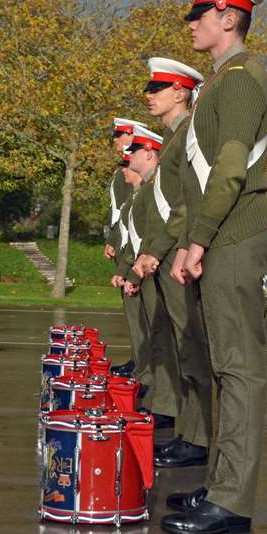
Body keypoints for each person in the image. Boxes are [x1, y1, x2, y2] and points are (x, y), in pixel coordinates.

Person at [163, 0, 267, 534]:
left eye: (199, 12)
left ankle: (233, 501)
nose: (191, 21)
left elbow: (229, 169)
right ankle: (222, 483)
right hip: (220, 236)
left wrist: (199, 238)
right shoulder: (222, 81)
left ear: (228, 18)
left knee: (239, 368)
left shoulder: (238, 82)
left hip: (232, 237)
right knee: (225, 366)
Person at [132, 57, 212, 470]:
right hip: (167, 252)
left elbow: (182, 207)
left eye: (156, 88)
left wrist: (160, 249)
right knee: (180, 346)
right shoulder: (176, 137)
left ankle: (197, 438)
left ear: (180, 92)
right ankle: (189, 432)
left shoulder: (186, 135)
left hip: (177, 253)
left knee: (190, 347)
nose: (148, 95)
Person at [113, 126, 176, 428]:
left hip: (156, 269)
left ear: (149, 152)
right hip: (145, 269)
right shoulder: (146, 191)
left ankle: (164, 403)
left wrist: (134, 272)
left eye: (133, 152)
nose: (128, 159)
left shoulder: (155, 188)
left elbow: (155, 231)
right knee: (155, 337)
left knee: (163, 340)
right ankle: (156, 397)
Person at [104, 117, 145, 377]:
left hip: (133, 247)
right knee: (133, 312)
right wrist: (112, 240)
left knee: (138, 311)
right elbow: (117, 211)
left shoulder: (133, 172)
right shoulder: (122, 171)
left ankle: (141, 363)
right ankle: (138, 359)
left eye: (120, 135)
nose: (116, 141)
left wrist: (116, 242)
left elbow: (128, 213)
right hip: (124, 244)